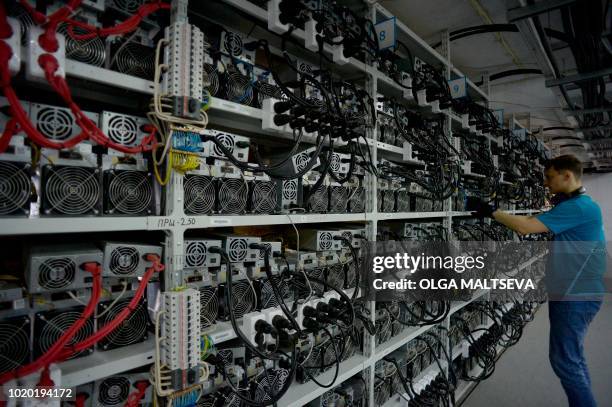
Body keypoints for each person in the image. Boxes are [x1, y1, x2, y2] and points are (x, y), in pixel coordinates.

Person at [472, 154, 605, 407]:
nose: (546, 183)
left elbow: (525, 227)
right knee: (572, 358)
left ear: (567, 175)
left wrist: (490, 211)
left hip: (574, 296)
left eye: (549, 177)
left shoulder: (577, 207)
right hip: (577, 292)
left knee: (565, 362)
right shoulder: (582, 205)